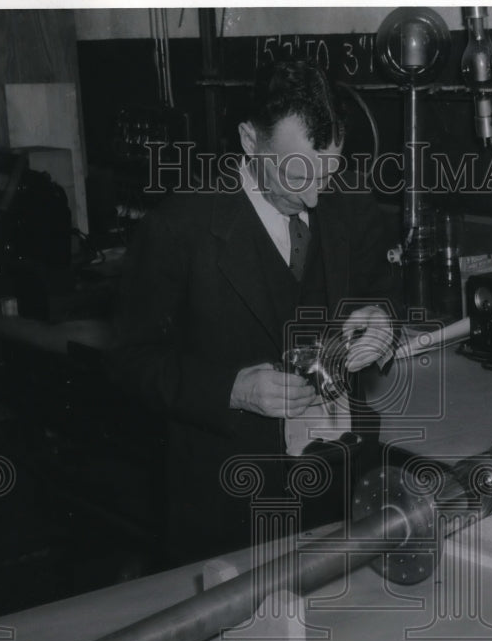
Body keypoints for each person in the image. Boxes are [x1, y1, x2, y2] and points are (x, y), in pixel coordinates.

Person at [112, 61, 399, 566]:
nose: (315, 193)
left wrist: (381, 318)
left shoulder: (349, 203)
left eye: (329, 168)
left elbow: (380, 287)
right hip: (231, 510)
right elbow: (131, 363)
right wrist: (233, 389)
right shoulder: (179, 228)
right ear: (250, 140)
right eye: (297, 172)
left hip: (342, 492)